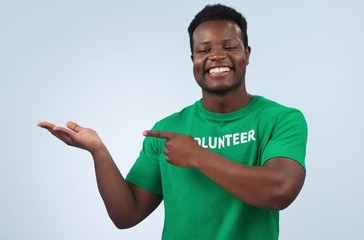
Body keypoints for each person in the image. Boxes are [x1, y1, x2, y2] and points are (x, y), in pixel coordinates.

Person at [38, 4, 307, 240]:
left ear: (247, 54)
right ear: (193, 60)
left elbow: (280, 189)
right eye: (203, 50)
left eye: (229, 47)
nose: (215, 56)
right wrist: (99, 151)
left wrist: (198, 156)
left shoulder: (280, 119)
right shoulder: (168, 130)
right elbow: (126, 215)